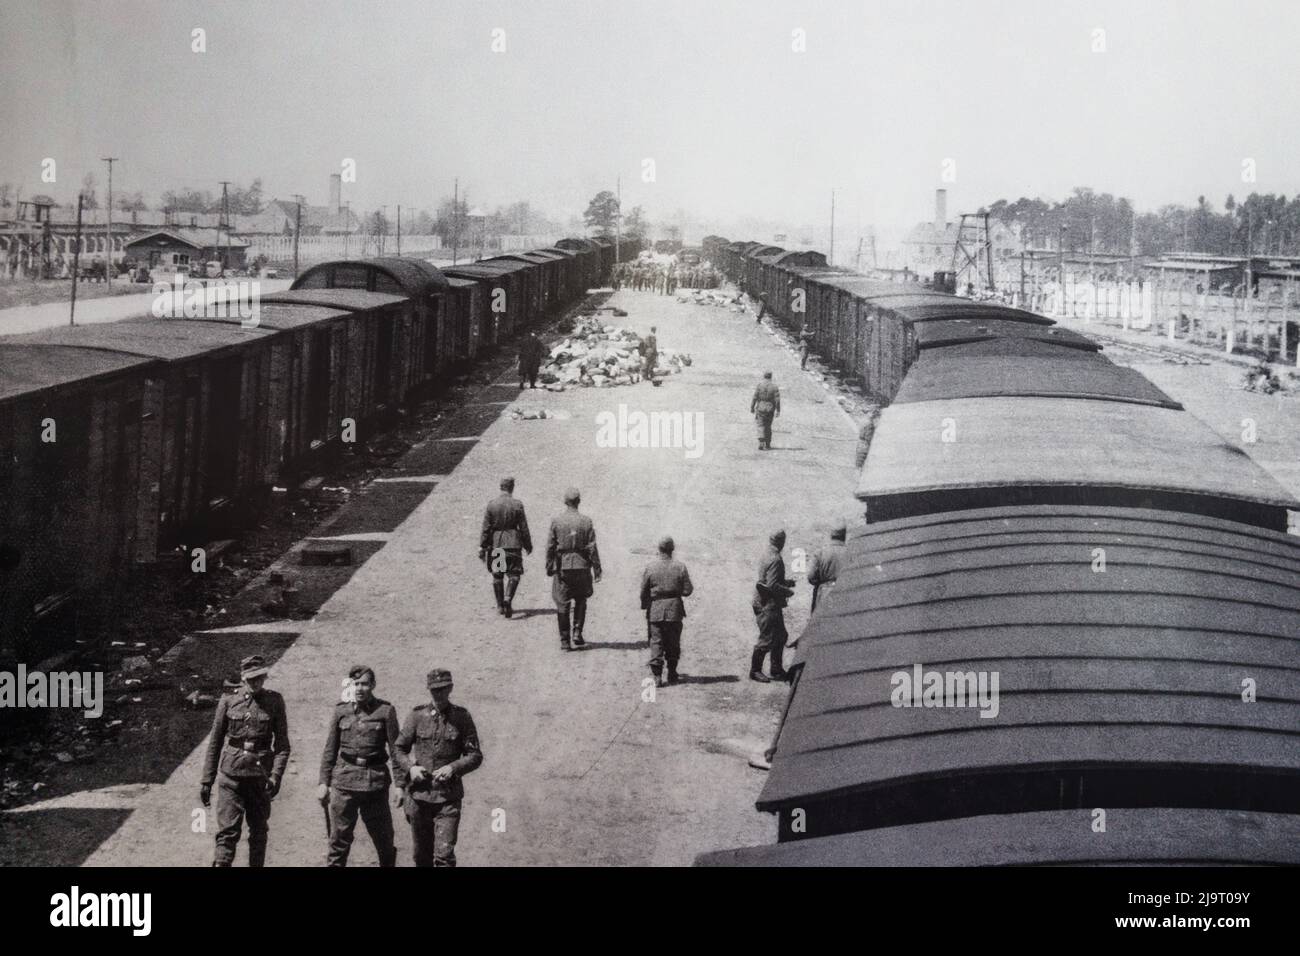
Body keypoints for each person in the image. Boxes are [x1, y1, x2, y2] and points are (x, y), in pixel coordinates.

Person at [200, 654, 291, 867]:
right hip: (230, 777)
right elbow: (215, 742)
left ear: (265, 677)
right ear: (243, 678)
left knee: (259, 831)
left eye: (259, 678)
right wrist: (207, 780)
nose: (255, 683)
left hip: (260, 779)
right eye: (251, 679)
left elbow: (282, 746)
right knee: (227, 833)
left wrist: (276, 776)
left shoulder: (274, 701)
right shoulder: (228, 701)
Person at [394, 669, 483, 868]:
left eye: (443, 689)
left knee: (444, 856)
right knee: (421, 857)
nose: (438, 693)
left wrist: (453, 767)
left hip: (448, 799)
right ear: (429, 690)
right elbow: (399, 749)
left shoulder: (462, 717)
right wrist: (410, 769)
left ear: (450, 688)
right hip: (419, 798)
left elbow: (475, 755)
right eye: (434, 690)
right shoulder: (417, 716)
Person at [317, 665, 401, 867]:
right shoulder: (341, 711)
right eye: (356, 684)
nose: (360, 688)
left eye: (364, 684)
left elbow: (397, 751)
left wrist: (400, 785)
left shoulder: (385, 711)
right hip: (344, 784)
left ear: (373, 685)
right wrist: (323, 782)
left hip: (375, 785)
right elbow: (330, 749)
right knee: (338, 842)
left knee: (384, 841)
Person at [546, 487, 602, 650]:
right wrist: (597, 569)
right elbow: (592, 547)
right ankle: (577, 632)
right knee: (581, 598)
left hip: (563, 566)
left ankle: (565, 641)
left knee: (562, 602)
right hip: (582, 565)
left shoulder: (557, 521)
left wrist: (549, 566)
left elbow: (550, 546)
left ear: (565, 502)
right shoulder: (586, 521)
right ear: (578, 502)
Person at [639, 536, 695, 687]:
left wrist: (646, 605)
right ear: (672, 549)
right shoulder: (680, 567)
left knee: (656, 641)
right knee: (673, 642)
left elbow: (644, 591)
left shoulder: (651, 567)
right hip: (674, 610)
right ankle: (672, 672)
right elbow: (688, 590)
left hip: (655, 609)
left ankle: (657, 676)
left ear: (659, 549)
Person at [480, 477, 532, 618]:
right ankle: (508, 599)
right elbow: (524, 527)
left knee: (498, 575)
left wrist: (483, 546)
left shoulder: (492, 505)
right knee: (514, 575)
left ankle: (500, 606)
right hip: (514, 544)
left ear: (500, 487)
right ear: (512, 487)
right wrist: (528, 545)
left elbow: (486, 528)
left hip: (497, 544)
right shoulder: (517, 505)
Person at [750, 530, 795, 683]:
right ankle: (755, 671)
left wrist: (786, 582)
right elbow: (773, 585)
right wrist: (788, 591)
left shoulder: (766, 554)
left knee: (781, 635)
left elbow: (768, 579)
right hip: (767, 604)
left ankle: (776, 669)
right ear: (782, 542)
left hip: (766, 601)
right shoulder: (776, 559)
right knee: (767, 638)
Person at [807, 522, 846, 616]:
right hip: (844, 595)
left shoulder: (820, 553)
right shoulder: (851, 553)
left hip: (824, 594)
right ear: (844, 535)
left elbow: (811, 577)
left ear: (831, 534)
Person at [750, 371, 781, 451]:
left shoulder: (760, 385)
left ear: (764, 376)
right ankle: (767, 443)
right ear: (771, 377)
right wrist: (778, 410)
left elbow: (755, 397)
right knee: (768, 426)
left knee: (760, 425)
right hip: (770, 409)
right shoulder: (774, 387)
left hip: (760, 408)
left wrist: (752, 407)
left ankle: (761, 441)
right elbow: (777, 400)